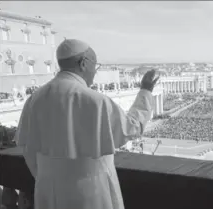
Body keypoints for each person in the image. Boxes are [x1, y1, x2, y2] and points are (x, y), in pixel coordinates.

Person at [14, 39, 159, 209]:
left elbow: (27, 150)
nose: (94, 73)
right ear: (83, 63)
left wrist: (48, 178)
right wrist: (146, 90)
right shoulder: (95, 101)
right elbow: (132, 127)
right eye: (95, 66)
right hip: (90, 193)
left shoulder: (34, 99)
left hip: (48, 192)